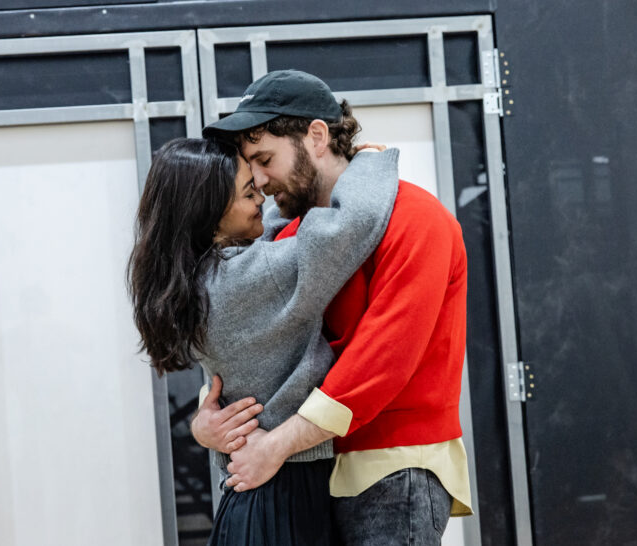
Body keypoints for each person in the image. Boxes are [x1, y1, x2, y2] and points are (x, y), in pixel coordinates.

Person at [195, 69, 473, 545]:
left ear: (317, 136)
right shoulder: (289, 236)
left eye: (265, 159)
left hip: (392, 466)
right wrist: (209, 418)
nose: (258, 182)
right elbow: (258, 348)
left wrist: (276, 445)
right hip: (311, 467)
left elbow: (382, 361)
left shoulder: (418, 219)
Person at [128, 135, 400, 545]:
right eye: (249, 191)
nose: (262, 198)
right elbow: (352, 224)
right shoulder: (245, 280)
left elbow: (270, 231)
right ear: (211, 214)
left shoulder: (197, 280)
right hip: (284, 496)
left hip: (262, 497)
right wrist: (371, 161)